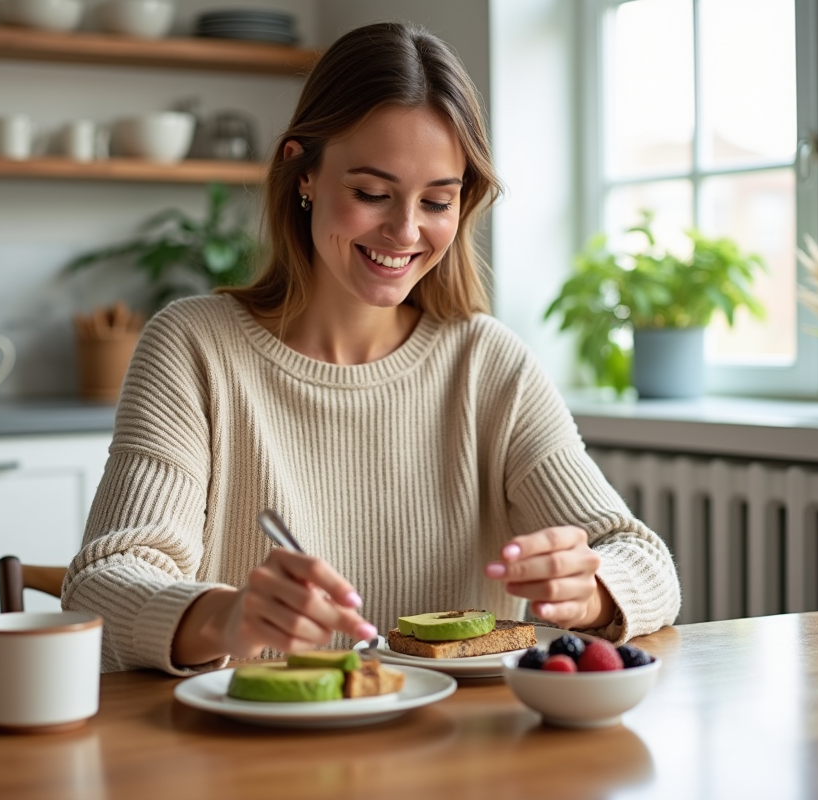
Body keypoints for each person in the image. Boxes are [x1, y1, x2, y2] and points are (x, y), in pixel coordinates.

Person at [62, 21, 681, 674]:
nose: (405, 230)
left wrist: (590, 588)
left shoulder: (489, 365)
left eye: (437, 200)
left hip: (457, 763)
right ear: (303, 174)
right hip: (248, 759)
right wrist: (226, 616)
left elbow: (643, 558)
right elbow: (104, 579)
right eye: (371, 194)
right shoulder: (192, 347)